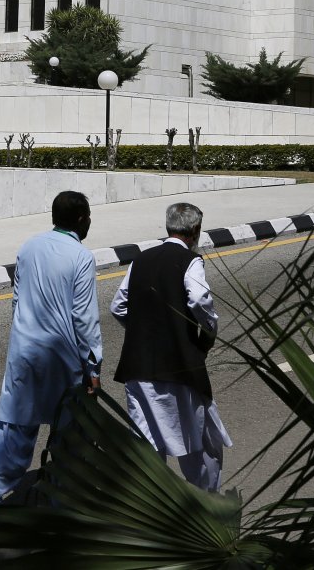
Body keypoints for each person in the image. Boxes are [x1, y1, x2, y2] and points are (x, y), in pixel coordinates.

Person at [0, 190, 102, 506]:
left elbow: (17, 301)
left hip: (25, 351)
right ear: (82, 219)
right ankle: (56, 495)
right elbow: (83, 317)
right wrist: (93, 365)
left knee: (14, 421)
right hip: (62, 356)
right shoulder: (81, 257)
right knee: (68, 426)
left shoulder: (29, 247)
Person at [111, 201, 232, 491]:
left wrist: (145, 330)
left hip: (138, 369)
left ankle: (154, 510)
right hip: (178, 367)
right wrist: (209, 331)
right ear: (194, 230)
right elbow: (199, 300)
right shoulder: (190, 260)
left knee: (147, 445)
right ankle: (208, 505)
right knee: (199, 442)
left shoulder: (140, 259)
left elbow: (118, 305)